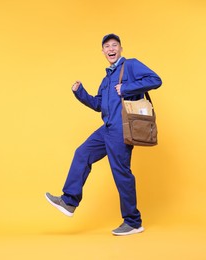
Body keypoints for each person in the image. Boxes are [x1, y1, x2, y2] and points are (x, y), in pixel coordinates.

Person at [45, 34, 162, 236]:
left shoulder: (131, 66)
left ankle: (133, 222)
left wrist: (126, 87)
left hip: (121, 128)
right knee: (82, 153)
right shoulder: (106, 78)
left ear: (120, 48)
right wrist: (79, 92)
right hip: (106, 128)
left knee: (121, 172)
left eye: (114, 45)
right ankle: (69, 201)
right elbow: (99, 105)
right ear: (102, 52)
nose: (110, 49)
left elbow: (156, 80)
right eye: (106, 46)